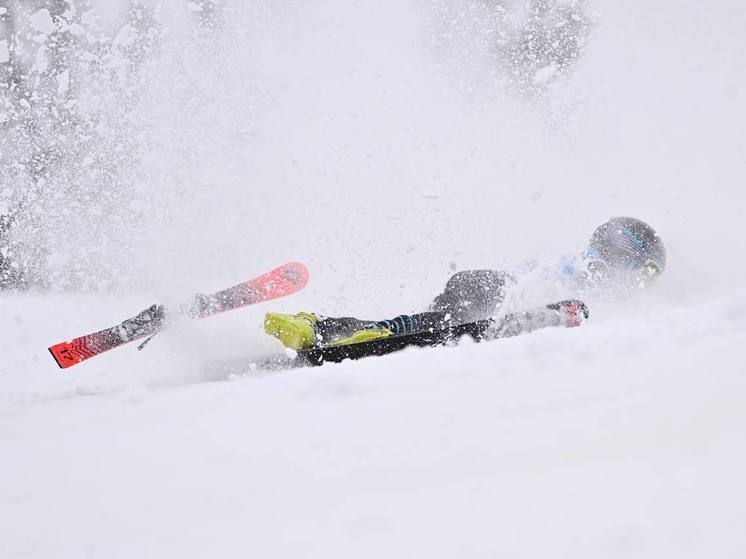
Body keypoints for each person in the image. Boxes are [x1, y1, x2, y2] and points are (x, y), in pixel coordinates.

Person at [264, 217, 666, 350]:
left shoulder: (579, 260)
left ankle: (320, 327)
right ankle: (331, 331)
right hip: (491, 288)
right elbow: (564, 292)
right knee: (427, 327)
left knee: (426, 323)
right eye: (643, 273)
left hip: (484, 285)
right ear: (624, 256)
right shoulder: (591, 267)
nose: (639, 286)